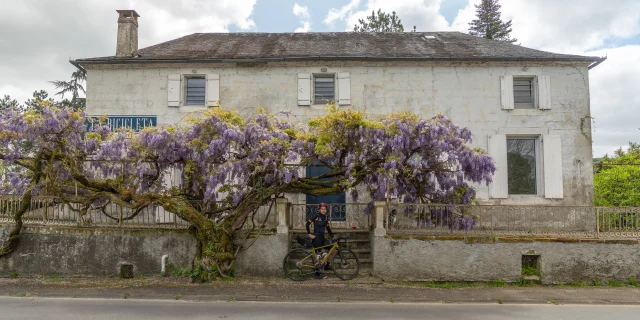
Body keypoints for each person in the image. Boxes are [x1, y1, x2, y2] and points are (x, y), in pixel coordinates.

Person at [306, 202, 334, 279]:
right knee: (318, 257)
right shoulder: (316, 216)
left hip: (322, 237)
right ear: (319, 209)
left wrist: (332, 236)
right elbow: (307, 224)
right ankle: (317, 274)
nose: (323, 210)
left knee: (331, 247)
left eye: (324, 209)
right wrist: (309, 234)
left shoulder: (326, 218)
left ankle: (327, 265)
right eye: (322, 209)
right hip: (316, 237)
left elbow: (328, 228)